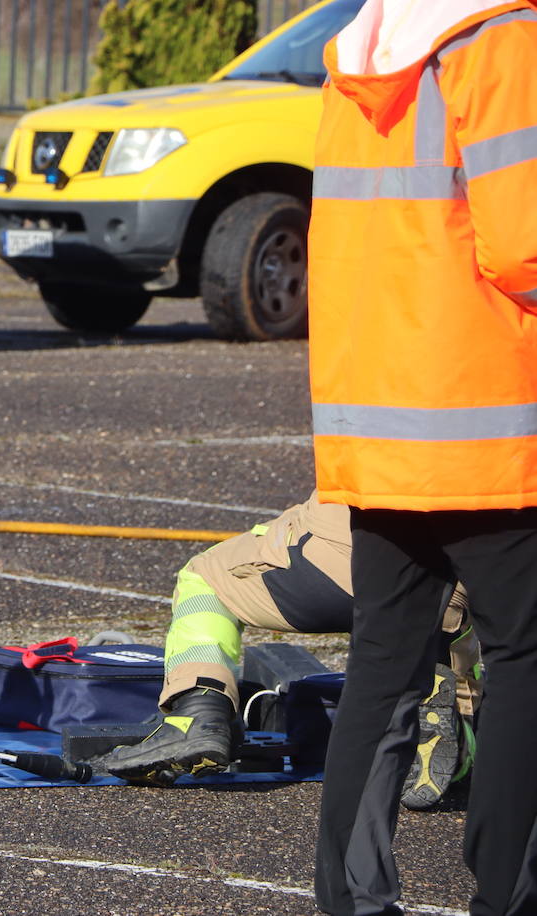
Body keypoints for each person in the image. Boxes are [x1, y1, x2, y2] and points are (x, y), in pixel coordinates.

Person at [307, 2, 537, 913]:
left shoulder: (359, 50)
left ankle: (351, 899)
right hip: (487, 419)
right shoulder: (501, 38)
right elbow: (524, 239)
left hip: (385, 422)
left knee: (385, 666)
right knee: (523, 655)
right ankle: (512, 895)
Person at [102, 492, 479, 810]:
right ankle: (461, 730)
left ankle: (199, 708)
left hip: (356, 554)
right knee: (478, 635)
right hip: (476, 562)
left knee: (207, 578)